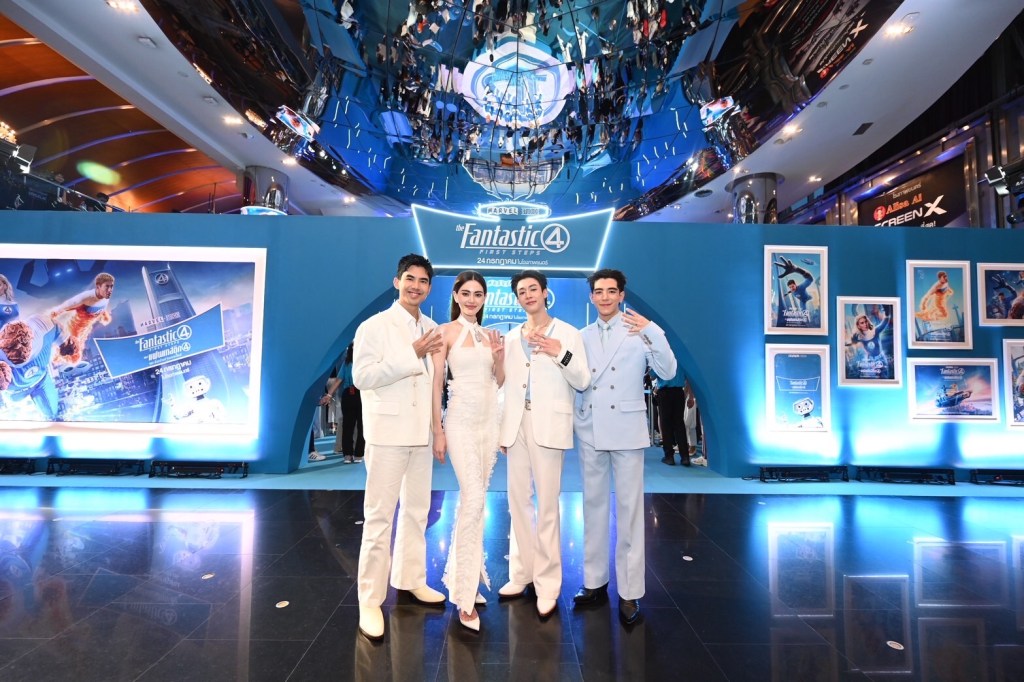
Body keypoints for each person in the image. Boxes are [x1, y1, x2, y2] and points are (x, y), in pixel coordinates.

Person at [572, 268, 676, 626]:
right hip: (590, 429)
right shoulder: (581, 336)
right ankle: (594, 581)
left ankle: (630, 591)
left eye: (611, 291)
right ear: (591, 297)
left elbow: (668, 371)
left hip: (627, 429)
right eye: (598, 291)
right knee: (593, 506)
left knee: (630, 510)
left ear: (621, 295)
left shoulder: (640, 331)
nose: (604, 297)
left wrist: (653, 330)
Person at [352, 253, 446, 641]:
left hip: (420, 436)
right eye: (410, 278)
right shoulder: (374, 326)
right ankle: (370, 600)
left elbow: (434, 385)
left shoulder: (433, 326)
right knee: (379, 518)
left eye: (423, 281)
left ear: (429, 287)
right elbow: (362, 376)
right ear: (397, 282)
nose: (416, 286)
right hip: (388, 435)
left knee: (417, 512)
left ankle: (410, 579)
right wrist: (412, 354)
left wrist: (437, 429)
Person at [498, 270, 590, 619]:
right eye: (521, 291)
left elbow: (583, 379)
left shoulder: (567, 333)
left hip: (549, 426)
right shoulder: (511, 337)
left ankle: (548, 584)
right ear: (517, 298)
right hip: (516, 425)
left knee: (548, 505)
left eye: (532, 289)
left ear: (545, 292)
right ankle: (521, 573)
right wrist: (503, 428)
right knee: (518, 503)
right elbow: (505, 385)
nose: (527, 295)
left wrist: (559, 352)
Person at [430, 271, 505, 632]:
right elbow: (436, 384)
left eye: (478, 294)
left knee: (473, 503)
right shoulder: (444, 332)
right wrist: (438, 430)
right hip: (459, 421)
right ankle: (463, 597)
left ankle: (468, 579)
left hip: (489, 424)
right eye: (466, 293)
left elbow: (499, 381)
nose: (472, 299)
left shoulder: (490, 336)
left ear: (484, 298)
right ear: (456, 296)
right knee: (473, 499)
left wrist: (499, 357)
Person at [50, 273, 115, 365]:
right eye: (107, 286)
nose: (110, 290)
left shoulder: (105, 296)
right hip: (77, 327)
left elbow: (101, 306)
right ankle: (55, 358)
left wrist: (104, 314)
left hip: (87, 326)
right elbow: (69, 304)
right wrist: (55, 312)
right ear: (98, 286)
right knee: (75, 358)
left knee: (75, 352)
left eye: (111, 286)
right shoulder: (87, 297)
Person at [322, 343, 365, 463]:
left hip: (355, 394)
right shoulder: (351, 364)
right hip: (354, 395)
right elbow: (338, 380)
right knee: (353, 426)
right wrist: (329, 395)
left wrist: (329, 395)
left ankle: (353, 455)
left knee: (355, 426)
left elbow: (338, 380)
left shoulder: (350, 363)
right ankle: (352, 454)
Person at [655, 364, 689, 466]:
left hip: (664, 392)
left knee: (666, 425)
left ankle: (669, 456)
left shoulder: (660, 359)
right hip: (679, 392)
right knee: (679, 424)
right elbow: (688, 377)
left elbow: (652, 375)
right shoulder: (682, 359)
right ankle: (685, 457)